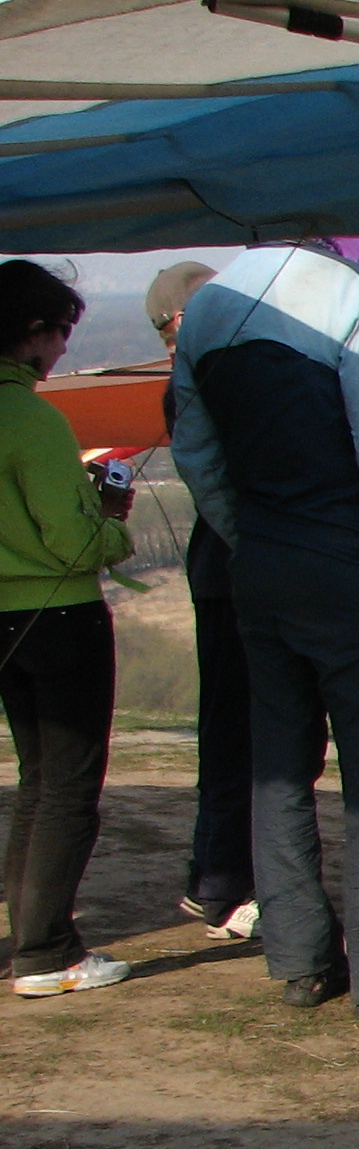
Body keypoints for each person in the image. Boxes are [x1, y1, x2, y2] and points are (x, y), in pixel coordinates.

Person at [171, 242, 359, 1024]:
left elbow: (197, 455)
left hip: (261, 566)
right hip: (348, 568)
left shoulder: (205, 308)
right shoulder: (345, 293)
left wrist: (247, 539)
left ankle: (302, 961)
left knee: (279, 770)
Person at [0, 260, 135, 997]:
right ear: (31, 333)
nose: (61, 354)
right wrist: (111, 522)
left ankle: (30, 941)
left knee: (36, 782)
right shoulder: (33, 420)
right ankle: (47, 954)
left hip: (3, 621)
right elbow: (74, 544)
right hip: (59, 617)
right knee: (69, 788)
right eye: (58, 337)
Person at [148, 261, 258, 944]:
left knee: (254, 731)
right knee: (233, 731)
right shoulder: (195, 382)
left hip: (232, 567)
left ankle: (225, 873)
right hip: (229, 570)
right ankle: (218, 882)